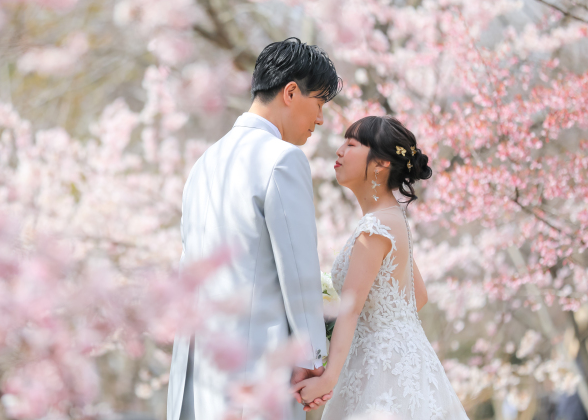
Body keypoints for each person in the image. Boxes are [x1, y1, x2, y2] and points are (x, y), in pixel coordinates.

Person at [166, 38, 342, 420]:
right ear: (291, 93)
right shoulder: (281, 159)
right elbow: (298, 271)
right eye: (319, 104)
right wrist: (314, 358)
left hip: (199, 372)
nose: (320, 120)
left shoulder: (204, 164)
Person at [292, 116, 470, 419]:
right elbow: (419, 296)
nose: (339, 151)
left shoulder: (375, 228)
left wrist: (328, 378)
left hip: (382, 372)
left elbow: (351, 308)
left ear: (381, 164)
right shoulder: (391, 219)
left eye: (351, 144)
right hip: (404, 361)